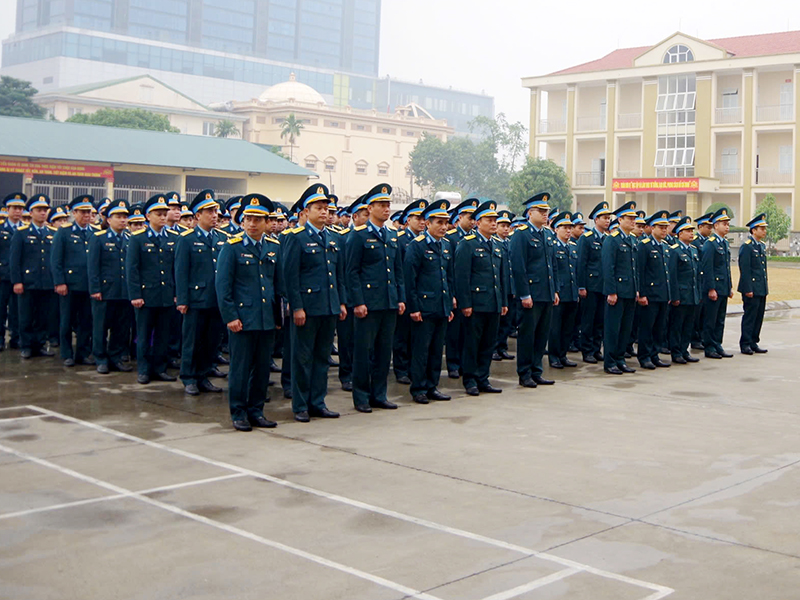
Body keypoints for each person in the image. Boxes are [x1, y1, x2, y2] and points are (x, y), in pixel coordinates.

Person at [215, 194, 283, 431]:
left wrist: (278, 316)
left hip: (266, 319)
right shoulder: (232, 248)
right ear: (242, 221)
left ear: (266, 222)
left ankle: (256, 411)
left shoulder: (274, 247)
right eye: (248, 219)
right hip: (243, 320)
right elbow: (223, 287)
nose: (252, 223)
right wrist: (231, 317)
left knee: (262, 369)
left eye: (258, 219)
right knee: (240, 369)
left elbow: (277, 285)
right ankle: (238, 412)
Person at [283, 184, 345, 422]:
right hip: (307, 308)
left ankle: (317, 402)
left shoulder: (331, 237)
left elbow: (336, 273)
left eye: (326, 208)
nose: (324, 212)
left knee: (321, 358)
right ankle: (300, 405)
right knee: (302, 358)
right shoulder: (296, 238)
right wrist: (296, 306)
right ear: (306, 211)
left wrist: (340, 302)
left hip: (328, 306)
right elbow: (291, 276)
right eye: (318, 208)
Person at [345, 183, 406, 413]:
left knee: (383, 351)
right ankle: (361, 396)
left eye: (388, 205)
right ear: (370, 208)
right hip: (368, 303)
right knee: (363, 351)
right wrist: (358, 302)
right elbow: (352, 271)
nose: (386, 209)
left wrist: (400, 297)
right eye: (381, 205)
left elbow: (397, 269)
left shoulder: (392, 235)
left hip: (388, 301)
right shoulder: (359, 235)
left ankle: (379, 394)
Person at [175, 189, 228, 396]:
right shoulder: (186, 239)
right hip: (195, 299)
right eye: (209, 211)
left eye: (215, 211)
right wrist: (182, 298)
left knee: (211, 341)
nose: (214, 215)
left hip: (216, 299)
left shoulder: (222, 238)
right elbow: (181, 271)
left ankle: (204, 375)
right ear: (197, 216)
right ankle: (188, 377)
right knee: (192, 341)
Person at [403, 200, 454, 404]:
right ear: (428, 223)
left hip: (440, 306)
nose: (443, 227)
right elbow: (410, 279)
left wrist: (449, 305)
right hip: (424, 308)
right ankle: (418, 388)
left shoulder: (447, 245)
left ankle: (432, 386)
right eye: (439, 222)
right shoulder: (417, 246)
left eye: (446, 223)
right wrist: (414, 308)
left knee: (435, 351)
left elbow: (448, 278)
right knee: (421, 350)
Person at [455, 200, 508, 396]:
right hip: (475, 304)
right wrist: (465, 303)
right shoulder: (467, 244)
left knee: (488, 343)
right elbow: (462, 277)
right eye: (489, 220)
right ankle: (470, 380)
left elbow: (501, 276)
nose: (494, 223)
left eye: (495, 220)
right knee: (472, 343)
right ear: (478, 222)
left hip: (493, 302)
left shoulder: (497, 245)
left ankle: (483, 378)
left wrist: (503, 302)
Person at [127, 193, 180, 384]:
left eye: (164, 213)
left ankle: (160, 368)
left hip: (166, 295)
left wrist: (176, 294)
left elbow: (176, 269)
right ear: (148, 216)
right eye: (158, 213)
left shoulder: (174, 238)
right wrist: (135, 295)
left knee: (163, 335)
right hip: (146, 295)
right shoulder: (137, 238)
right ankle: (143, 370)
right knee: (144, 335)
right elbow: (132, 269)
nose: (163, 217)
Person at [511, 192, 558, 387]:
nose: (545, 214)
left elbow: (552, 265)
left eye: (547, 211)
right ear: (530, 212)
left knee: (541, 335)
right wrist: (524, 294)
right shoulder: (522, 234)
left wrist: (554, 290)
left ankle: (537, 370)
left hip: (546, 293)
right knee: (527, 335)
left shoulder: (547, 234)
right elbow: (518, 267)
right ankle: (525, 373)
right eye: (541, 211)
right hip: (531, 294)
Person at [89, 200, 134, 373]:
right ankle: (100, 358)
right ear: (108, 220)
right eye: (118, 217)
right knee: (101, 326)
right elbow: (93, 266)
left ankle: (116, 357)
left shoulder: (130, 239)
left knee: (121, 327)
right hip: (105, 290)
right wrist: (95, 289)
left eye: (125, 217)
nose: (123, 220)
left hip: (123, 291)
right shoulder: (98, 238)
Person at [51, 195, 96, 367]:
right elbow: (56, 260)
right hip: (69, 284)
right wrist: (59, 282)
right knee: (67, 320)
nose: (86, 215)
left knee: (86, 320)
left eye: (89, 212)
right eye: (82, 212)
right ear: (74, 212)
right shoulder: (64, 231)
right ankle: (67, 353)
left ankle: (82, 353)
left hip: (88, 285)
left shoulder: (94, 232)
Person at [10, 194, 57, 358]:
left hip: (47, 281)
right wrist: (17, 281)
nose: (43, 213)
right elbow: (15, 260)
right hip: (28, 281)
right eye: (39, 210)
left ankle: (40, 345)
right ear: (31, 212)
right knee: (26, 316)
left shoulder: (53, 232)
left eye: (45, 210)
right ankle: (26, 346)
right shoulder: (21, 233)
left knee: (43, 316)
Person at [601, 201, 639, 375]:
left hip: (630, 291)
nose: (633, 221)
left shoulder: (632, 239)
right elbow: (608, 267)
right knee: (613, 328)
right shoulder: (612, 240)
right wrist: (611, 291)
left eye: (634, 218)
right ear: (620, 219)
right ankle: (610, 361)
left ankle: (620, 359)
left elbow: (634, 267)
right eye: (630, 218)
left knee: (625, 328)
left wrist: (636, 289)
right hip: (617, 291)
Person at [336, 196, 368, 392]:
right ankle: (346, 374)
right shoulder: (342, 237)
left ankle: (360, 373)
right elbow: (342, 270)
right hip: (347, 297)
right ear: (355, 216)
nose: (368, 217)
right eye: (365, 215)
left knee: (361, 340)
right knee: (346, 340)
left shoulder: (368, 236)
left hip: (363, 296)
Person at [393, 198, 427, 384]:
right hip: (404, 293)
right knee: (402, 334)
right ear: (407, 220)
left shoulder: (425, 241)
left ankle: (414, 368)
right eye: (417, 218)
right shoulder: (400, 240)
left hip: (419, 293)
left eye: (424, 218)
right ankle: (401, 369)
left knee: (416, 335)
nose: (422, 222)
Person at [444, 198, 479, 378]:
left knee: (468, 332)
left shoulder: (475, 238)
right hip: (456, 291)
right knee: (454, 331)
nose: (473, 221)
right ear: (460, 217)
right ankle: (453, 364)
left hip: (472, 292)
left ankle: (466, 364)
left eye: (475, 218)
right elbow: (450, 269)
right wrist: (453, 294)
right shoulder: (451, 238)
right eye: (469, 217)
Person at [636, 210, 672, 369]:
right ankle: (644, 356)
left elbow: (666, 272)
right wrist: (642, 293)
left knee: (659, 327)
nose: (664, 230)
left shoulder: (665, 246)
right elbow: (641, 271)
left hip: (662, 294)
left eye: (666, 227)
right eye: (660, 227)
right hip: (650, 295)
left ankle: (655, 354)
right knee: (647, 327)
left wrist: (668, 293)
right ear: (651, 228)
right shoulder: (644, 246)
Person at [577, 201, 612, 364]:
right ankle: (587, 350)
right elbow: (581, 264)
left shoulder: (608, 239)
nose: (608, 221)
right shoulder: (586, 238)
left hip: (603, 286)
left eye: (609, 218)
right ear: (596, 220)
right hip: (590, 286)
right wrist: (581, 286)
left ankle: (597, 349)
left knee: (600, 320)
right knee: (588, 320)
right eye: (604, 218)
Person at [700, 207, 734, 359]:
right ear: (715, 226)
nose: (727, 226)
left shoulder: (725, 243)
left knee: (720, 319)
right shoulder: (710, 244)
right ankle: (709, 347)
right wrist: (711, 288)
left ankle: (717, 344)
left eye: (728, 224)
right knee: (710, 319)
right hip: (714, 288)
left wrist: (730, 286)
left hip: (723, 287)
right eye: (724, 223)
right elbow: (707, 268)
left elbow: (726, 268)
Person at [667, 216, 701, 364]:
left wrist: (698, 293)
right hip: (681, 294)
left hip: (692, 294)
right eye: (687, 231)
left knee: (688, 324)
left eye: (691, 230)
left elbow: (696, 274)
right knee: (677, 325)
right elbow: (672, 275)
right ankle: (676, 352)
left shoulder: (693, 250)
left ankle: (684, 350)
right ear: (680, 234)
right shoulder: (674, 250)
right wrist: (674, 296)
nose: (691, 233)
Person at [549, 211, 579, 369]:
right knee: (556, 328)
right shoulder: (552, 247)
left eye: (570, 228)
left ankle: (563, 355)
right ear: (556, 229)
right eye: (565, 227)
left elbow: (576, 271)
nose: (568, 231)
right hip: (559, 293)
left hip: (572, 293)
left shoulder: (573, 247)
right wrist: (554, 291)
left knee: (568, 327)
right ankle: (554, 356)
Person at [738, 213, 769, 355]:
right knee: (750, 316)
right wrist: (748, 288)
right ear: (753, 230)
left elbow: (762, 270)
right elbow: (745, 270)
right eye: (761, 228)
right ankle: (745, 343)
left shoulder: (761, 246)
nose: (764, 231)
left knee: (759, 316)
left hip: (761, 287)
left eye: (764, 228)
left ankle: (753, 341)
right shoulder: (747, 247)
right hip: (751, 288)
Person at [0, 192, 26, 351]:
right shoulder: (1, 229)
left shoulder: (25, 230)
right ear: (7, 209)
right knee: (1, 309)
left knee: (17, 310)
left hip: (20, 277)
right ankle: (0, 338)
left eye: (20, 208)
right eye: (15, 208)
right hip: (2, 276)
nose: (17, 211)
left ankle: (16, 338)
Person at [493, 209, 516, 361]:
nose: (506, 229)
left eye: (508, 226)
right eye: (502, 225)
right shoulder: (494, 243)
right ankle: (494, 348)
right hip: (499, 289)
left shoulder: (510, 243)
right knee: (497, 322)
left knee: (507, 321)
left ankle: (502, 347)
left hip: (510, 288)